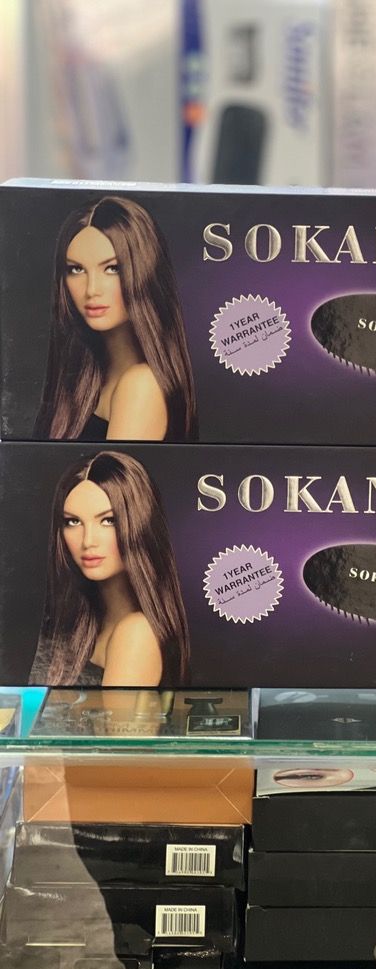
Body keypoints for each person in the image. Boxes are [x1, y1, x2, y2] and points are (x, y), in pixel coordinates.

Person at [34, 196, 198, 441]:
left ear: (144, 271)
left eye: (112, 268)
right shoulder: (90, 377)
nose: (92, 289)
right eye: (76, 269)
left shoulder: (141, 385)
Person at [30, 451, 190, 687]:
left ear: (139, 524)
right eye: (73, 522)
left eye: (108, 520)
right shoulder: (84, 623)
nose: (88, 541)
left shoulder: (136, 634)